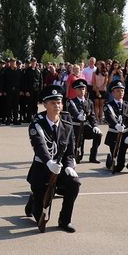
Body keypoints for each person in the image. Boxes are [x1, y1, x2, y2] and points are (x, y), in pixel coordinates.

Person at [24, 85, 80, 233]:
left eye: (59, 102)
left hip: (60, 168)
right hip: (42, 169)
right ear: (45, 105)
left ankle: (65, 221)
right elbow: (39, 146)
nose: (57, 106)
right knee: (41, 217)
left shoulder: (67, 124)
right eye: (53, 103)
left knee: (74, 183)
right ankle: (33, 200)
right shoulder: (37, 124)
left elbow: (70, 152)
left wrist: (69, 166)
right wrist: (49, 162)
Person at [66, 79, 102, 164]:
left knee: (98, 135)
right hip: (76, 127)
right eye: (79, 89)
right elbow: (73, 111)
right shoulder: (71, 102)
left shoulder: (89, 102)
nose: (82, 91)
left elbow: (92, 116)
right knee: (78, 157)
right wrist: (78, 116)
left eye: (83, 89)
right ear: (75, 90)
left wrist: (95, 126)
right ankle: (77, 155)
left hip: (85, 127)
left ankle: (93, 157)